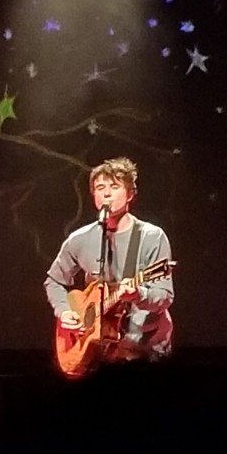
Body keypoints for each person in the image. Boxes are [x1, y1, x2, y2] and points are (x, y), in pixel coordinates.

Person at [44, 156, 174, 372]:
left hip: (145, 351)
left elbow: (165, 295)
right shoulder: (80, 239)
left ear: (130, 194)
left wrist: (137, 295)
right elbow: (54, 281)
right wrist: (64, 311)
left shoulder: (152, 237)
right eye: (100, 187)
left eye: (114, 187)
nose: (106, 193)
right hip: (99, 355)